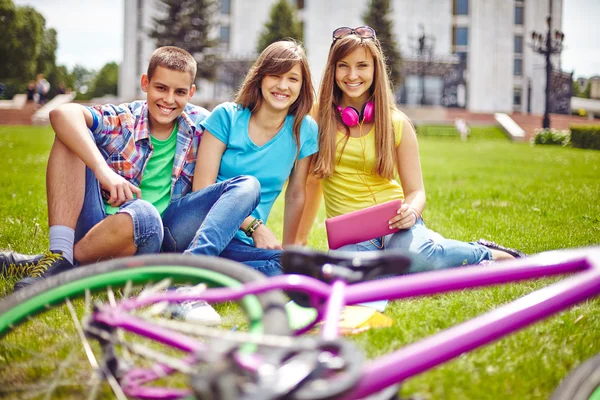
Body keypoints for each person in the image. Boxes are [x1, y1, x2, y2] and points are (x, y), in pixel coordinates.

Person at [5, 46, 262, 291]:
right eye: (161, 88)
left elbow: (244, 140)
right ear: (145, 83)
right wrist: (103, 171)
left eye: (180, 92)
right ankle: (60, 254)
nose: (169, 100)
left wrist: (255, 227)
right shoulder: (125, 119)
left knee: (145, 213)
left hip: (158, 238)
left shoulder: (202, 126)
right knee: (69, 135)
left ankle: (56, 264)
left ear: (191, 92)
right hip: (97, 227)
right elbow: (62, 114)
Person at [298, 26, 524, 269]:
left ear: (375, 69)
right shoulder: (317, 118)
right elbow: (310, 184)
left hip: (395, 225)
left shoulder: (397, 123)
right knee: (356, 276)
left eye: (362, 65)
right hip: (350, 237)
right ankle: (432, 247)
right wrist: (298, 241)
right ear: (333, 69)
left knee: (415, 258)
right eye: (343, 65)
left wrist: (412, 212)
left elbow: (416, 191)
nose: (352, 75)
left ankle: (484, 253)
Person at [192, 40, 318, 276]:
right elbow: (202, 188)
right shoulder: (227, 116)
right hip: (196, 227)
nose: (283, 86)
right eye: (275, 76)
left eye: (292, 79)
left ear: (302, 86)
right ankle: (190, 276)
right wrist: (254, 227)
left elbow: (296, 193)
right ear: (260, 78)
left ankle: (209, 276)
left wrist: (289, 252)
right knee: (248, 186)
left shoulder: (304, 129)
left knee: (292, 268)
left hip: (238, 245)